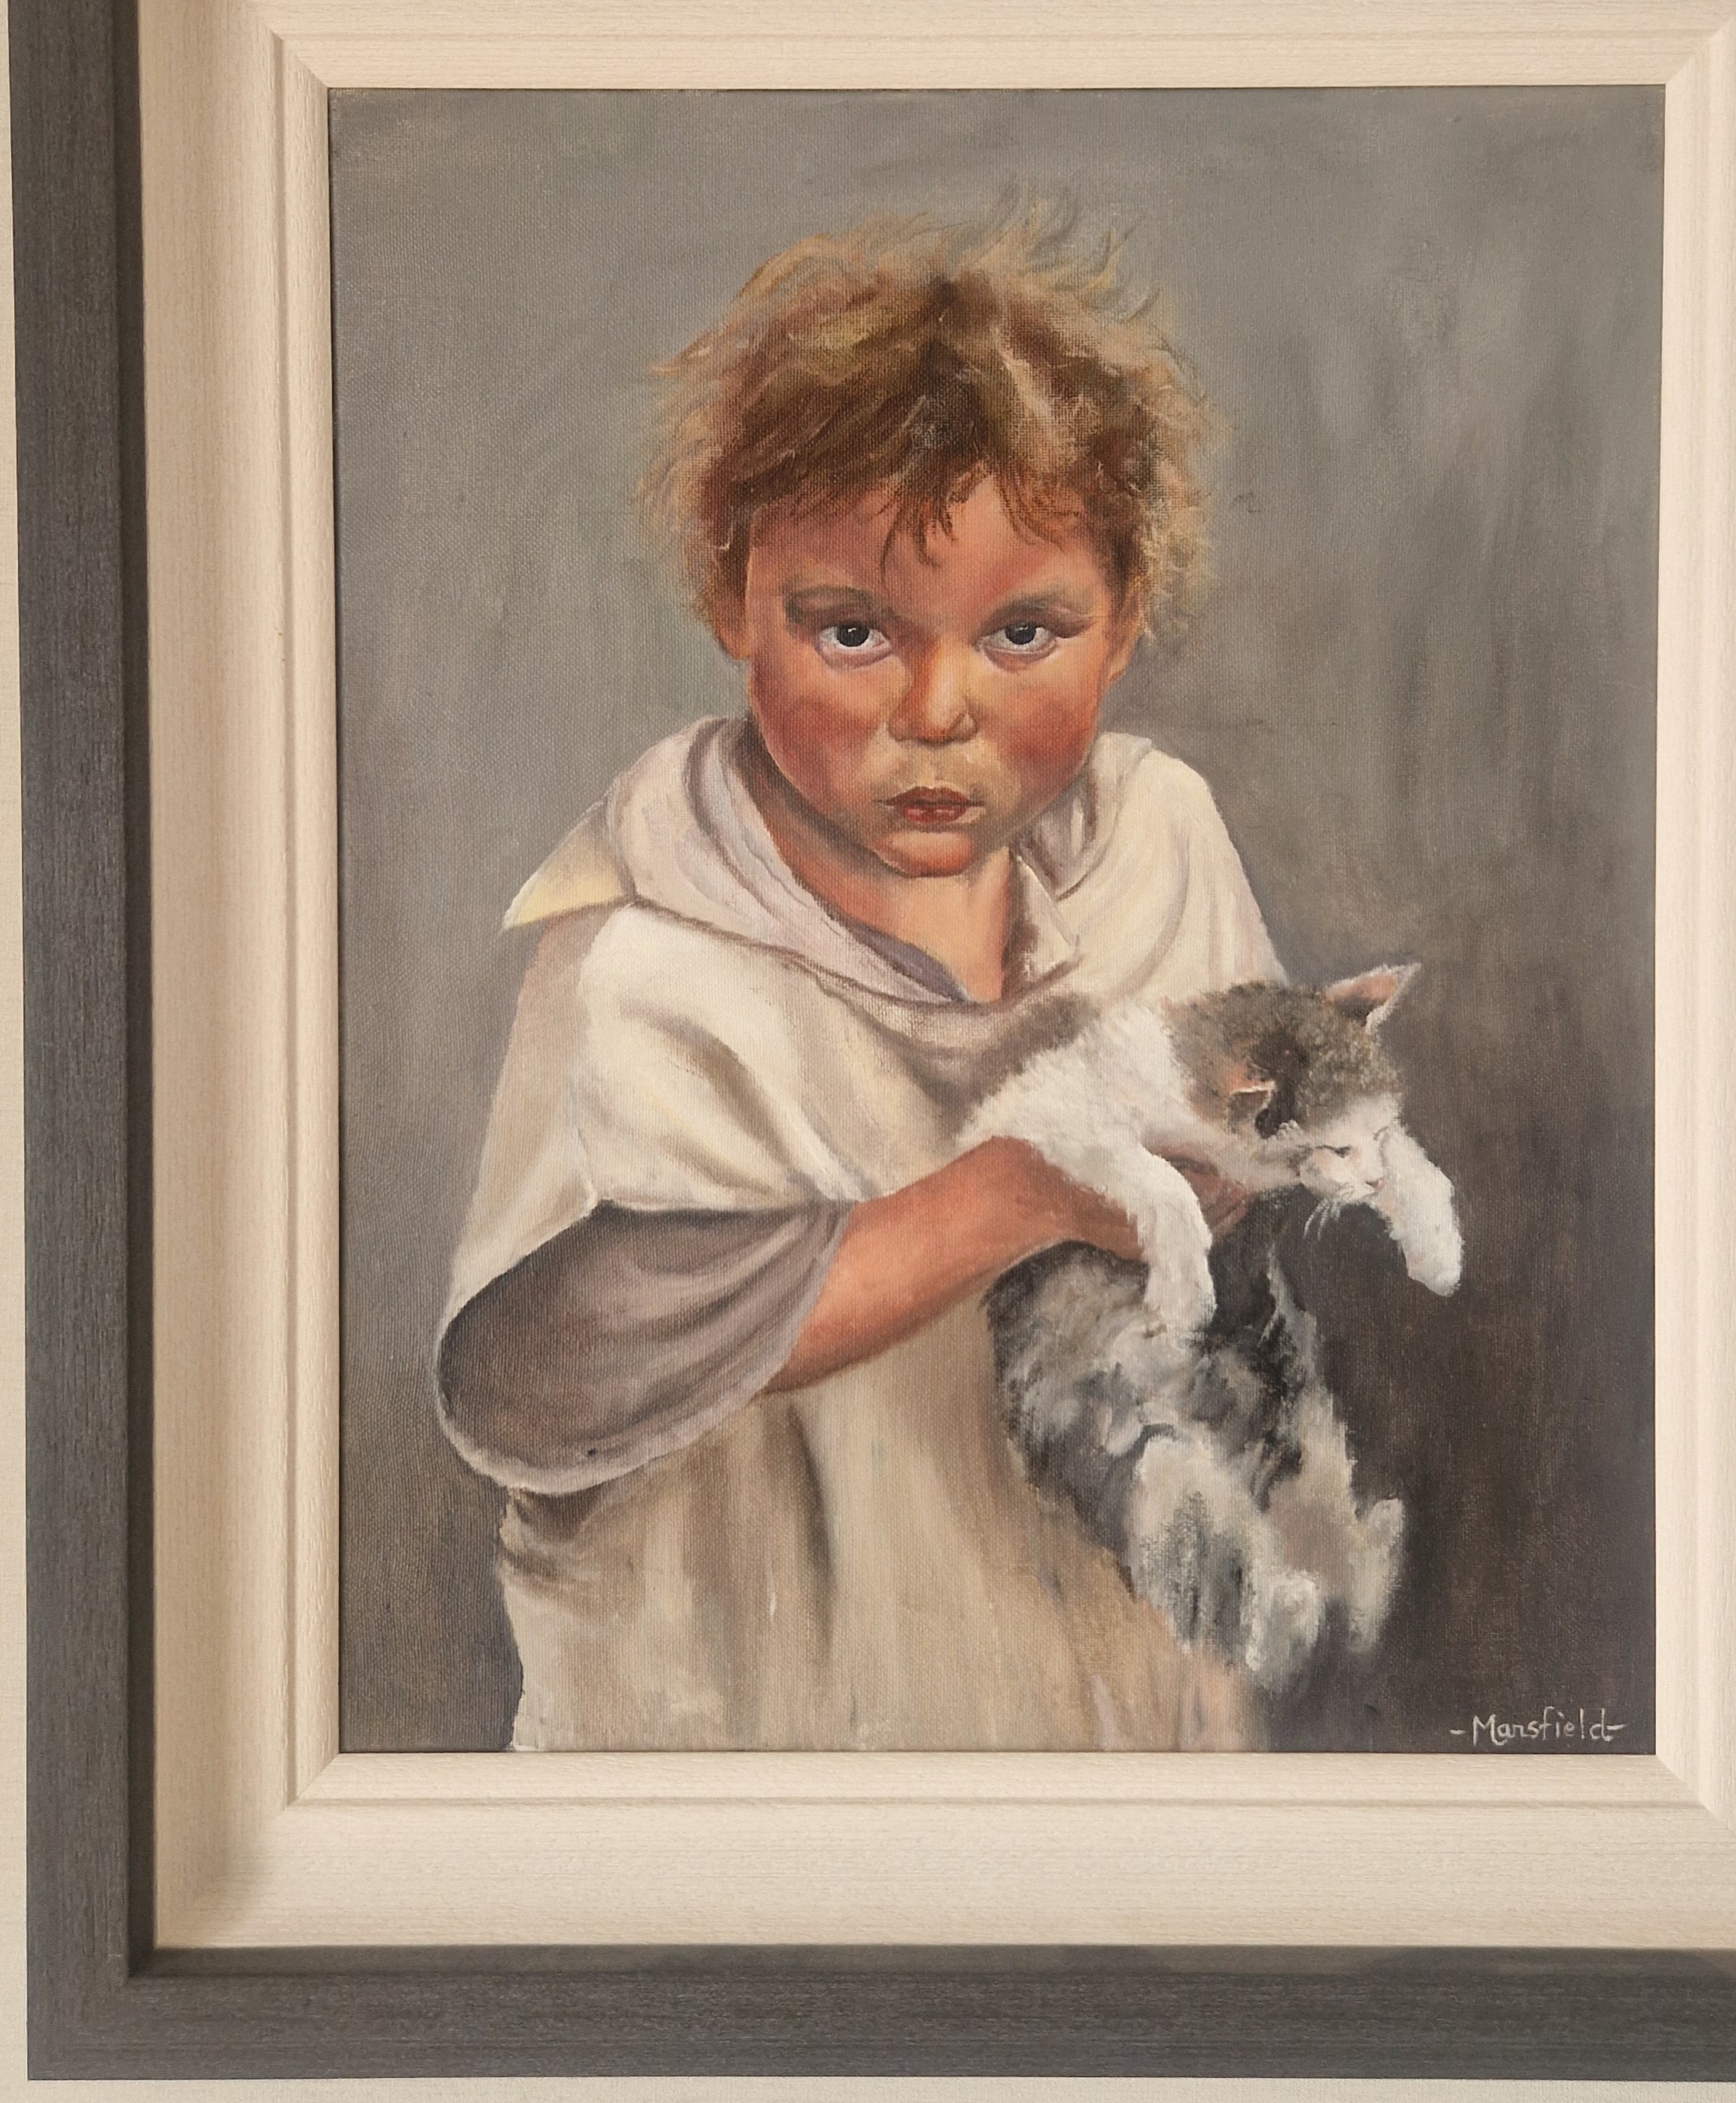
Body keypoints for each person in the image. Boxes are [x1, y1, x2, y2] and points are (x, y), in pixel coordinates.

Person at [435, 216, 1285, 1750]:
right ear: (732, 603)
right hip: (746, 1738)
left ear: (1126, 622)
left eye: (1023, 632)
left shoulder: (1155, 844)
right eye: (851, 631)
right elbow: (532, 1385)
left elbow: (1227, 1217)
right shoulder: (645, 958)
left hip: (1090, 1722)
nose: (939, 707)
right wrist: (1017, 1192)